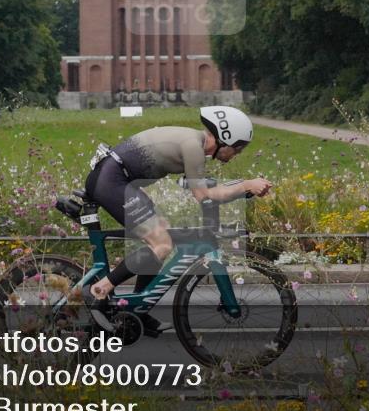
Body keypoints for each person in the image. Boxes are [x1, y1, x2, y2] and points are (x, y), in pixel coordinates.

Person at [84, 106, 272, 335]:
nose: (237, 154)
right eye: (238, 148)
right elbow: (203, 195)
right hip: (112, 181)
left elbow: (199, 186)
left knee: (162, 234)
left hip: (117, 179)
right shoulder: (193, 146)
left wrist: (244, 188)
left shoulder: (195, 145)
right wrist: (245, 185)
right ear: (225, 138)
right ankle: (100, 290)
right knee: (161, 243)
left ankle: (138, 310)